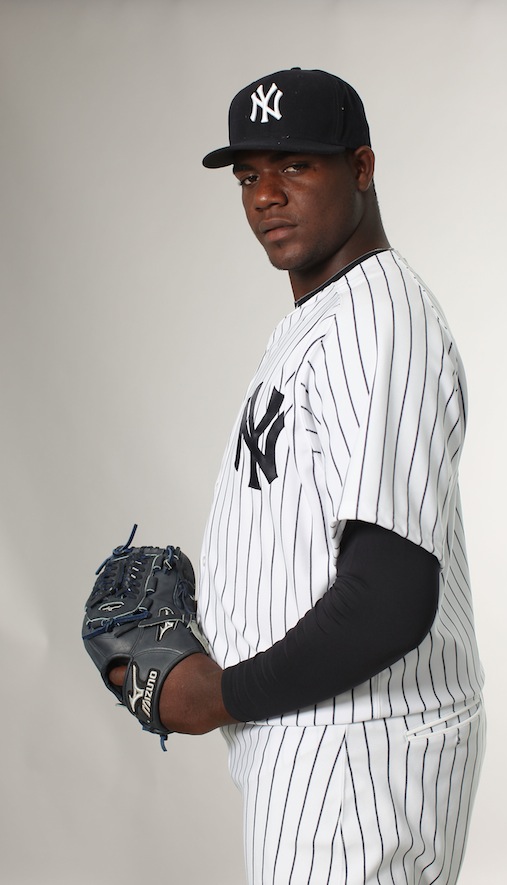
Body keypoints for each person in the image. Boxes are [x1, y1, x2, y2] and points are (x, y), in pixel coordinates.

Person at [113, 67, 486, 884]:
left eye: (296, 165)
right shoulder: (321, 318)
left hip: (355, 751)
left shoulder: (377, 321)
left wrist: (218, 692)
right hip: (316, 743)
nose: (264, 195)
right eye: (249, 174)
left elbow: (389, 596)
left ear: (361, 167)